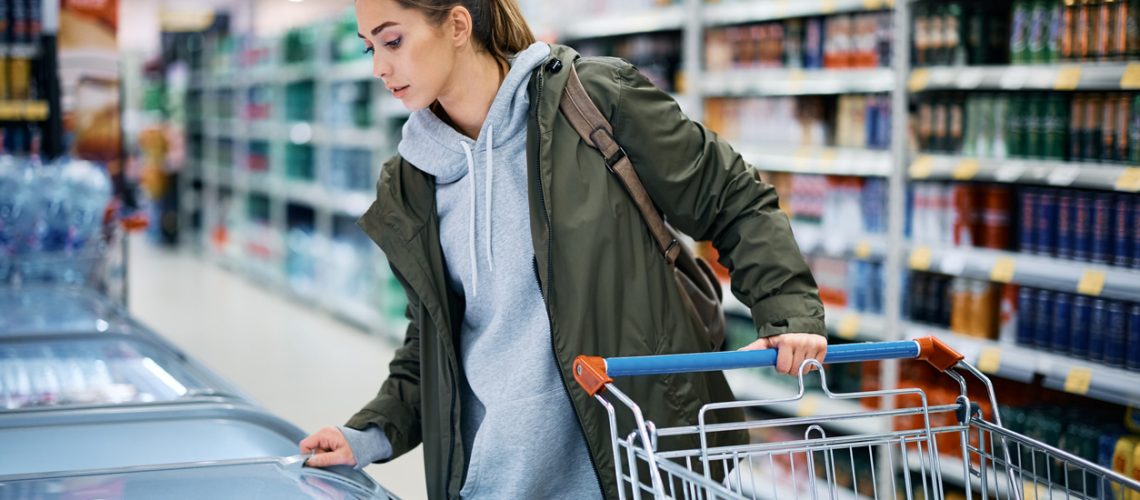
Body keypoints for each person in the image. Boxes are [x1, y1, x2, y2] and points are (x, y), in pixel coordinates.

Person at [300, 0, 828, 498]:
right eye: (371, 48)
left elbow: (731, 196)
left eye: (392, 41)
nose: (380, 68)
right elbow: (432, 342)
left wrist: (786, 311)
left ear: (458, 25)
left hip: (633, 468)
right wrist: (367, 434)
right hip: (496, 480)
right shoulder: (410, 181)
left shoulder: (592, 101)